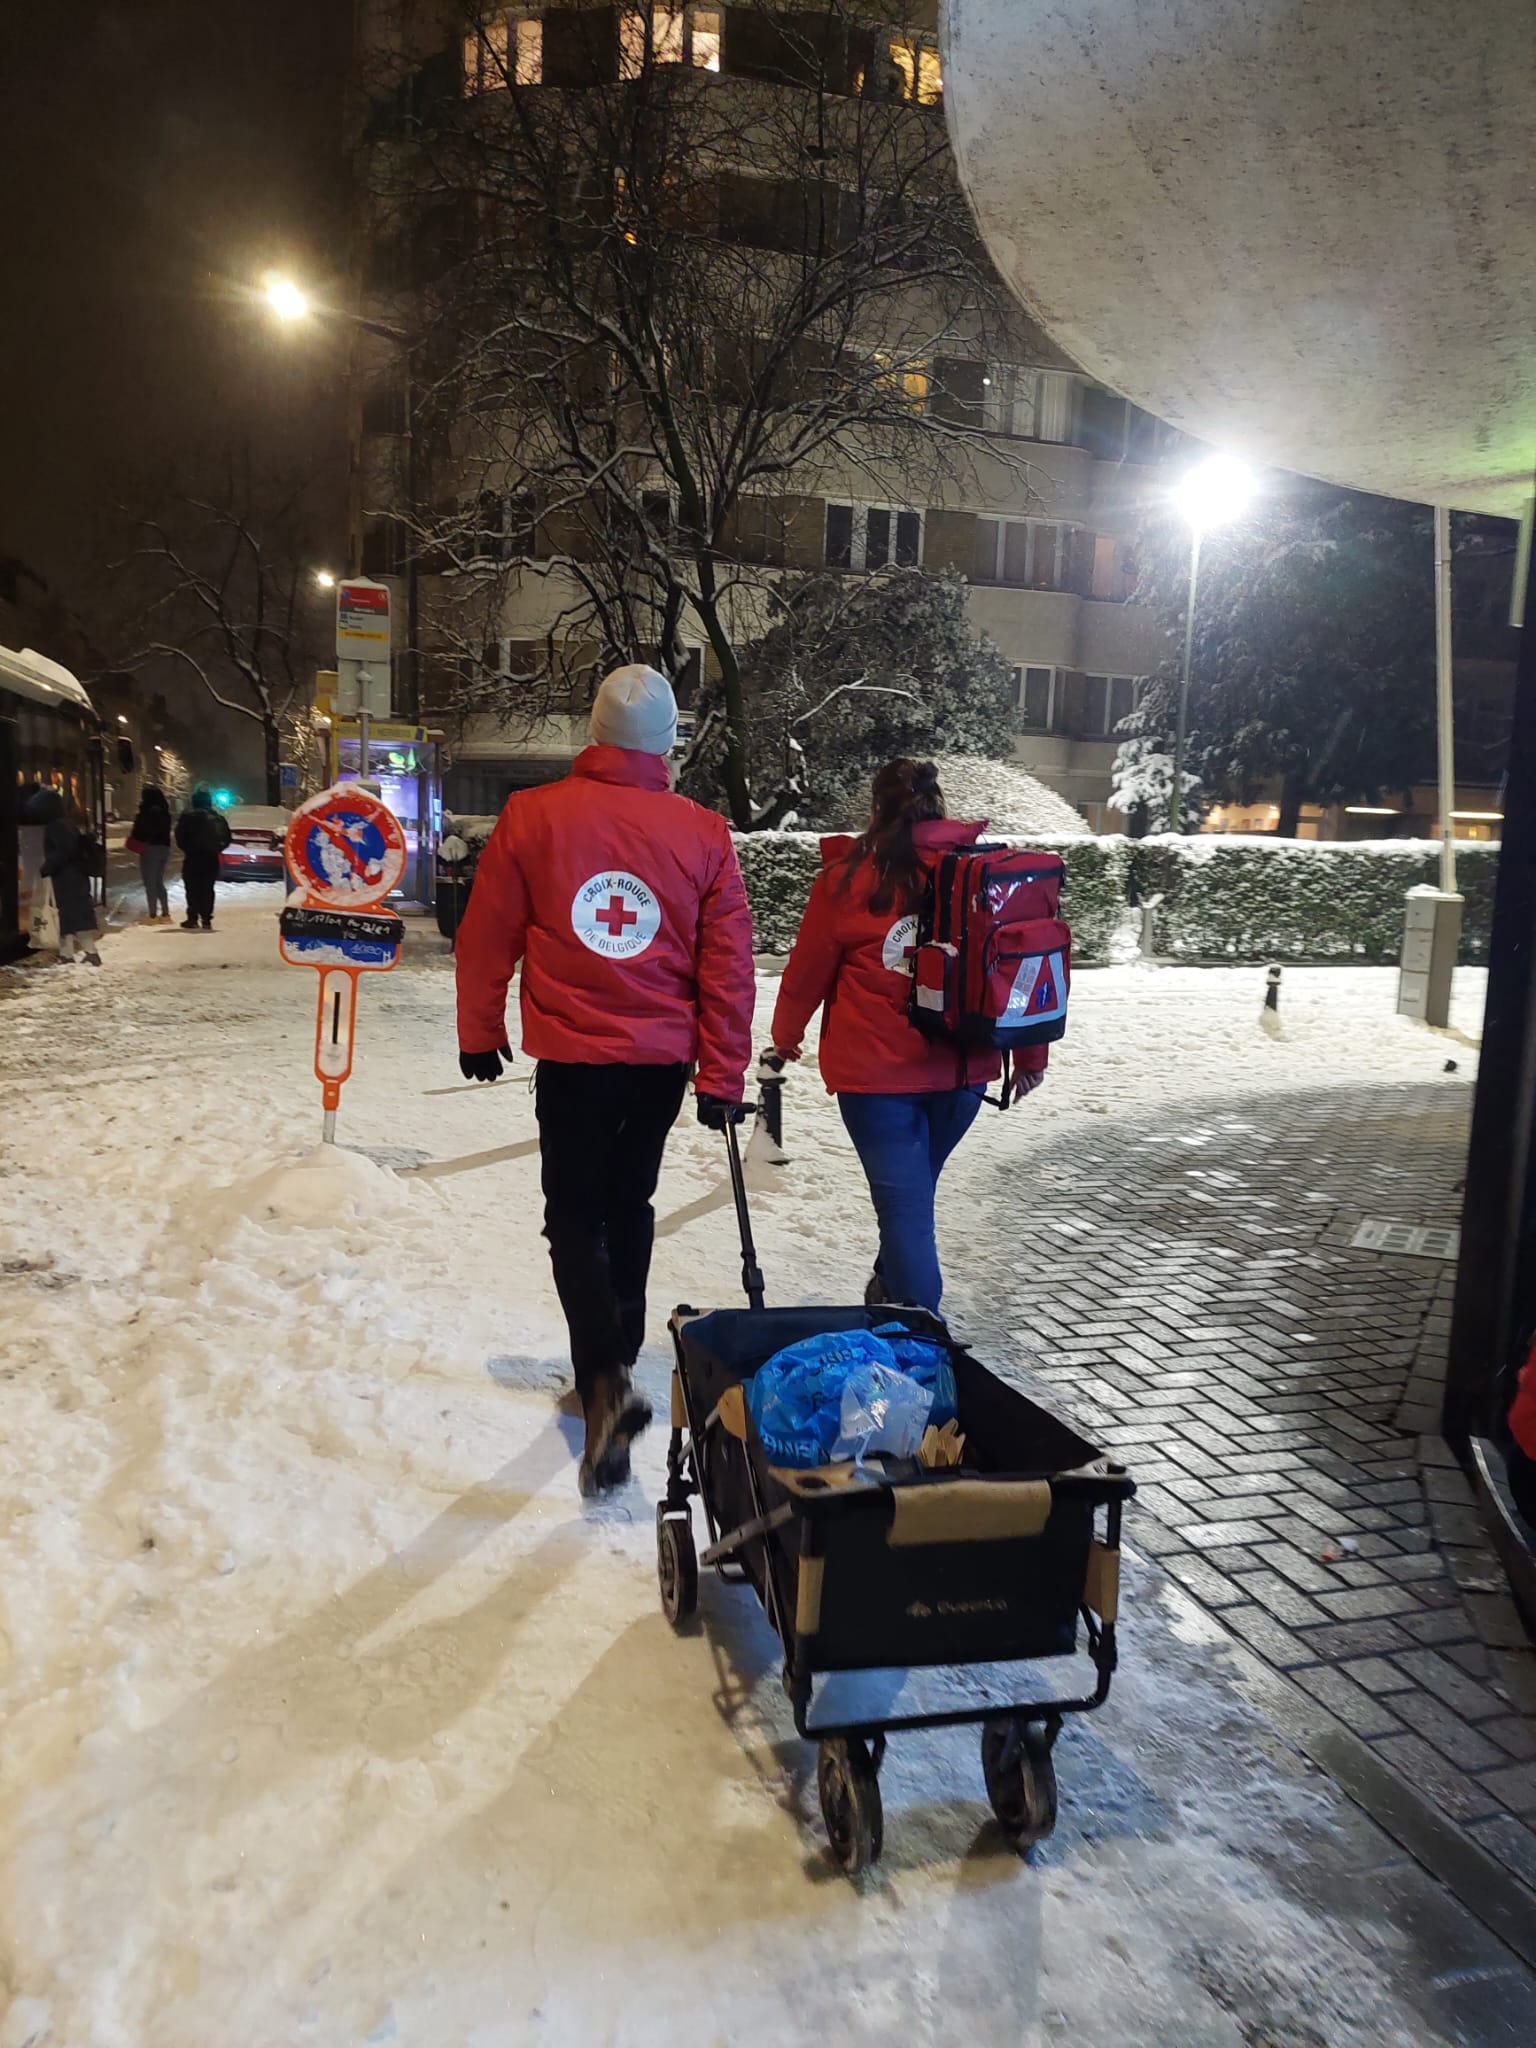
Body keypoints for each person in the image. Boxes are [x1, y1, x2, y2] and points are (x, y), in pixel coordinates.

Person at [455, 663, 755, 1495]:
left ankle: (602, 1381)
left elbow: (487, 933)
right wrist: (722, 1073)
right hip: (660, 1063)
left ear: (593, 732)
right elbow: (728, 967)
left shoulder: (534, 816)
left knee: (573, 1216)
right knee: (629, 1205)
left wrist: (481, 1029)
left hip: (576, 1062)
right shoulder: (702, 833)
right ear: (667, 743)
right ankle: (617, 1356)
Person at [770, 758, 1047, 1318]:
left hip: (878, 1081)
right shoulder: (981, 873)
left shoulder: (848, 880)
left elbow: (807, 972)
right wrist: (1029, 1052)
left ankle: (923, 1336)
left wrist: (785, 1035)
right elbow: (1020, 960)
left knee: (905, 1209)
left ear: (876, 810)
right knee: (910, 1203)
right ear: (939, 806)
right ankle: (890, 1292)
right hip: (964, 1074)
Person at [33, 786, 102, 966]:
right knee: (71, 917)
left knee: (67, 916)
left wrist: (46, 868)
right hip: (75, 877)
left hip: (66, 878)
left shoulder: (55, 826)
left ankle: (79, 954)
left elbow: (63, 851)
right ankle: (76, 953)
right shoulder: (67, 823)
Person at [175, 788, 232, 930]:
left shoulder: (187, 817)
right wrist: (216, 849)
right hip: (211, 858)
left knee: (192, 887)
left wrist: (188, 848)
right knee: (207, 887)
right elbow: (226, 837)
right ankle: (206, 918)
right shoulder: (217, 817)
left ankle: (192, 918)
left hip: (192, 857)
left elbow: (179, 836)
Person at [129, 785, 173, 923]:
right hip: (164, 848)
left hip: (150, 848)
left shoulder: (146, 812)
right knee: (159, 881)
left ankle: (152, 914)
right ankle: (165, 913)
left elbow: (140, 830)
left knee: (150, 882)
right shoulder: (165, 812)